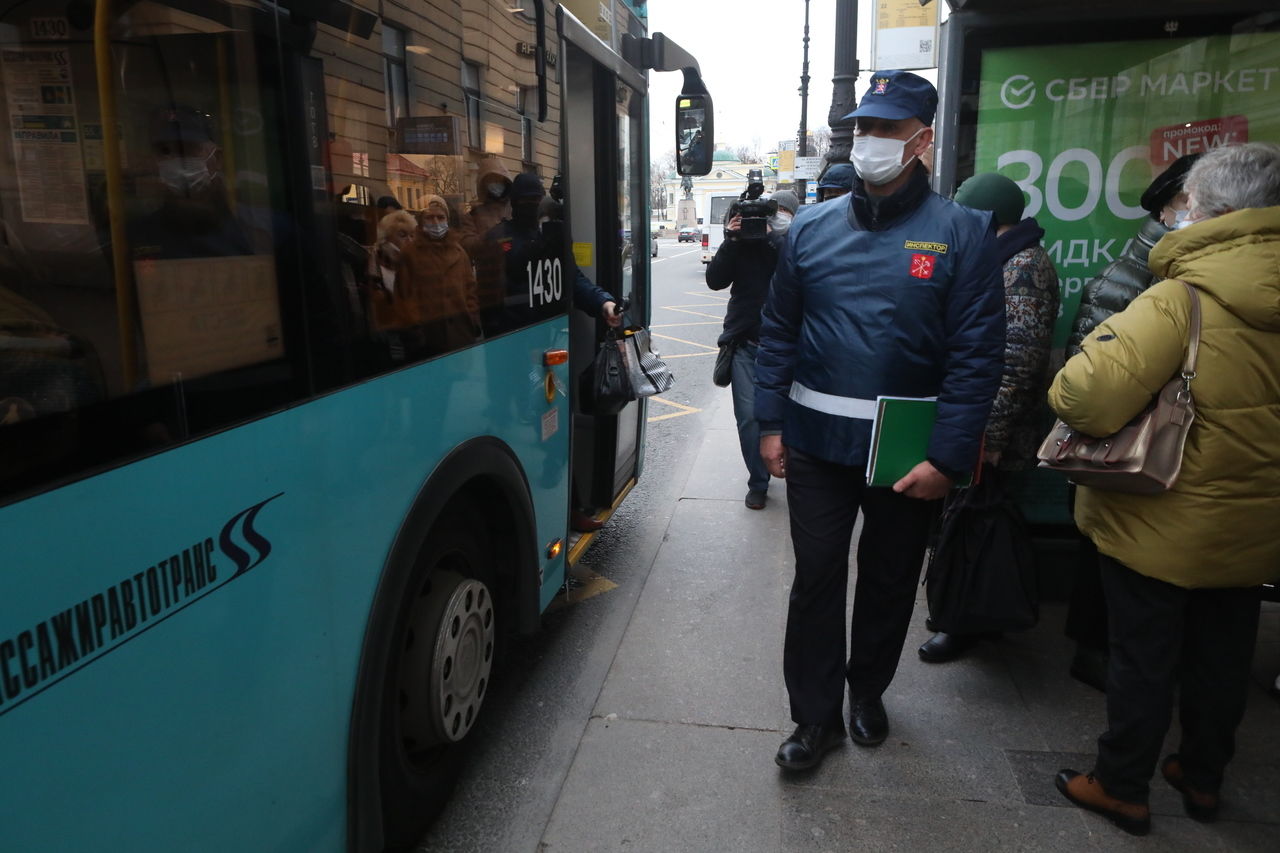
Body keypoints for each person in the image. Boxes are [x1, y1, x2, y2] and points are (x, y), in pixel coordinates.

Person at [757, 70, 1004, 769]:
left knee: (890, 577)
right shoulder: (809, 228)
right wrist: (768, 424)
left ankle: (867, 691)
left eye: (888, 130)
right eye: (864, 128)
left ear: (922, 141)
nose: (869, 141)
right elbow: (778, 335)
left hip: (905, 449)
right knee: (817, 578)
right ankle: (813, 719)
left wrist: (949, 457)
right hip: (815, 443)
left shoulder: (961, 233)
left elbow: (976, 357)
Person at [1049, 142, 1280, 836]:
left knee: (1144, 654)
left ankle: (1121, 782)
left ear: (1213, 209)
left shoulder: (1182, 297)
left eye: (1186, 203)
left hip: (1162, 511)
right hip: (1257, 519)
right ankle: (1202, 776)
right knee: (1223, 654)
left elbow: (1081, 398)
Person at [1061, 152, 1202, 693]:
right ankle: (1094, 647)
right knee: (1106, 556)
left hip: (1167, 451)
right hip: (1126, 449)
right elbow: (1086, 381)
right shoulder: (1127, 280)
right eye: (1188, 202)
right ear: (1166, 208)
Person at [917, 172, 1059, 662]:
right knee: (968, 517)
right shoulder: (1003, 257)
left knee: (973, 525)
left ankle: (966, 620)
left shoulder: (1022, 267)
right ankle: (978, 611)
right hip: (979, 420)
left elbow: (1017, 359)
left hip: (992, 429)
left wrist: (990, 434)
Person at [704, 190, 795, 509]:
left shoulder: (791, 243)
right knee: (748, 419)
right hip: (746, 344)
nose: (771, 220)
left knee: (791, 418)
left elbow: (803, 273)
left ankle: (795, 474)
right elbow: (715, 280)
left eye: (780, 213)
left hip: (789, 348)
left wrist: (773, 239)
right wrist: (731, 240)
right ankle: (758, 482)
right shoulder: (740, 243)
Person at [381, 196, 481, 357]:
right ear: (421, 221)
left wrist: (472, 323)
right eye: (430, 217)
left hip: (460, 339)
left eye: (440, 217)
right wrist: (417, 337)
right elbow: (405, 300)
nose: (436, 222)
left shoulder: (460, 252)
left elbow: (470, 290)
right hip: (428, 344)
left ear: (447, 220)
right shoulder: (410, 254)